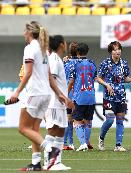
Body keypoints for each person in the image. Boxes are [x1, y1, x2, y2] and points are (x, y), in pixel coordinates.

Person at [8, 21, 73, 171]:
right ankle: (36, 162)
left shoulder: (30, 48)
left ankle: (51, 149)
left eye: (25, 31)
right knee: (34, 129)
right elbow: (49, 75)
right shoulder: (44, 49)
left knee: (23, 128)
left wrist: (17, 92)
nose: (23, 34)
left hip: (35, 93)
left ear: (30, 33)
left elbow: (28, 72)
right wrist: (59, 94)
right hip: (46, 95)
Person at [97, 41, 131, 152]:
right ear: (111, 52)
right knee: (110, 120)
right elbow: (98, 78)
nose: (117, 51)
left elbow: (124, 78)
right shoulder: (105, 63)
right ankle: (101, 138)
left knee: (120, 121)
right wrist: (107, 85)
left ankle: (118, 145)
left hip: (121, 96)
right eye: (114, 49)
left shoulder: (124, 63)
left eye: (119, 49)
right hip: (109, 97)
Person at [43, 35, 71, 171]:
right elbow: (50, 79)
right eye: (65, 43)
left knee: (60, 131)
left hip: (59, 102)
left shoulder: (57, 59)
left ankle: (57, 161)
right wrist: (61, 96)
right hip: (54, 102)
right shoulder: (54, 59)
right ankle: (48, 162)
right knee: (52, 130)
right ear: (61, 44)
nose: (66, 45)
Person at [68, 43, 97, 151]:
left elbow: (71, 82)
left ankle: (83, 143)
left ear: (77, 52)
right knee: (88, 121)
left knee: (77, 121)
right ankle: (86, 142)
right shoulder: (92, 63)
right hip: (91, 96)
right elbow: (95, 78)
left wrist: (66, 94)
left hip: (79, 97)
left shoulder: (75, 65)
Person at [63, 42, 79, 151]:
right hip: (78, 93)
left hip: (68, 92)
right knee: (77, 120)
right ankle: (73, 143)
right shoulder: (82, 63)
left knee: (68, 119)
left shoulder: (66, 64)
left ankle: (66, 143)